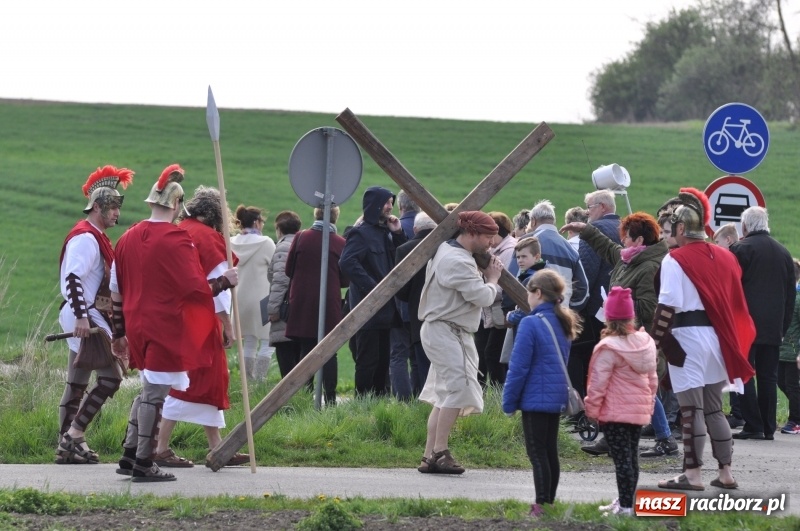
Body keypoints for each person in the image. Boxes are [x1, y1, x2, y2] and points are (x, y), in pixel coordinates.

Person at [110, 164, 238, 482]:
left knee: (147, 390)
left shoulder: (127, 237)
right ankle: (143, 460)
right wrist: (224, 281)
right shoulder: (176, 239)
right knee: (155, 393)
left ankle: (129, 454)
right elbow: (195, 290)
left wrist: (119, 332)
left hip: (137, 325)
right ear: (177, 206)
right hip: (165, 326)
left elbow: (115, 288)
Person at [651, 187, 755, 491]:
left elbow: (666, 308)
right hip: (718, 338)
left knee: (691, 410)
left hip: (687, 338)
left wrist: (651, 344)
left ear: (681, 228)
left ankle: (693, 475)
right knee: (713, 408)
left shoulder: (675, 259)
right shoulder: (725, 255)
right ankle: (725, 473)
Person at [562, 211, 675, 458]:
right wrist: (586, 229)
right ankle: (613, 438)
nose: (622, 241)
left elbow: (649, 308)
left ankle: (664, 439)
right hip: (622, 335)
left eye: (626, 237)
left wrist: (619, 302)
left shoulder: (649, 267)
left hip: (640, 339)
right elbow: (609, 249)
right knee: (628, 388)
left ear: (639, 241)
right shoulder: (631, 258)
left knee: (642, 390)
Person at [153, 186, 250, 469]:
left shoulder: (180, 229)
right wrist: (227, 324)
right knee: (192, 382)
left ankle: (219, 447)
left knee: (203, 382)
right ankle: (159, 446)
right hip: (200, 321)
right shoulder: (209, 239)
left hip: (174, 317)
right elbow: (218, 287)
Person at [55, 165, 133, 464]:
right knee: (111, 377)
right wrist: (82, 318)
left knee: (77, 381)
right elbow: (72, 279)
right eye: (113, 207)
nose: (117, 213)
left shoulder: (95, 236)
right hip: (84, 314)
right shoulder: (86, 238)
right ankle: (74, 436)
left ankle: (66, 447)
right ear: (98, 207)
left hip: (84, 313)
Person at [417, 211, 503, 475]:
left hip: (445, 330)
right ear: (472, 234)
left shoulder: (450, 250)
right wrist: (492, 280)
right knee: (458, 388)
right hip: (446, 331)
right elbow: (482, 297)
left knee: (446, 394)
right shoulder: (457, 260)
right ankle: (440, 452)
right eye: (488, 237)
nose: (492, 242)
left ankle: (428, 456)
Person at [502, 269, 582, 517]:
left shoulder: (530, 323)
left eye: (529, 292)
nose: (527, 297)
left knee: (537, 453)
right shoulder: (562, 321)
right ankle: (549, 503)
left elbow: (518, 367)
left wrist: (509, 401)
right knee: (549, 451)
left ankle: (540, 505)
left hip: (534, 398)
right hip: (556, 396)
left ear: (537, 293)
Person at [585, 287, 657, 517]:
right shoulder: (645, 343)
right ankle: (627, 500)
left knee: (621, 461)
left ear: (608, 317)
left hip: (614, 414)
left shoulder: (608, 348)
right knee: (631, 458)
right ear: (631, 316)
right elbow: (652, 379)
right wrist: (650, 405)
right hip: (637, 412)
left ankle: (626, 508)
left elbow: (597, 384)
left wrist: (592, 410)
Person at [730, 206, 796, 441]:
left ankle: (753, 425)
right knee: (768, 376)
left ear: (745, 226)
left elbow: (730, 289)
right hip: (773, 327)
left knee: (745, 374)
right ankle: (768, 428)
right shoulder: (784, 253)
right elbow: (790, 296)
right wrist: (783, 327)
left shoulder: (740, 249)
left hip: (744, 326)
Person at [339, 186, 407, 397]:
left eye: (391, 203)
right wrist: (373, 288)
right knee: (367, 362)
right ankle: (362, 405)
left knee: (383, 363)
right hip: (367, 311)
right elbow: (347, 262)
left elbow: (401, 259)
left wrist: (397, 234)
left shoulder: (387, 232)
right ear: (375, 205)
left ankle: (379, 406)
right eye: (386, 202)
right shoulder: (360, 233)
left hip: (387, 310)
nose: (390, 207)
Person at [284, 205, 348, 406]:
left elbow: (288, 269)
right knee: (330, 352)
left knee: (306, 349)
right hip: (329, 302)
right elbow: (345, 279)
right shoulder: (340, 243)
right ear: (335, 218)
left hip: (302, 301)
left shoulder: (301, 237)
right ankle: (330, 400)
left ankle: (305, 396)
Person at [230, 205, 276, 381]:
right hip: (262, 299)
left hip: (239, 299)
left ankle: (247, 381)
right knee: (267, 342)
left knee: (249, 341)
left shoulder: (231, 242)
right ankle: (259, 381)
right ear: (256, 223)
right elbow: (275, 268)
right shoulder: (266, 243)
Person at [396, 212, 437, 395]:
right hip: (447, 314)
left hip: (418, 314)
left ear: (414, 229)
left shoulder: (404, 250)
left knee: (421, 362)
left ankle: (424, 401)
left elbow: (401, 290)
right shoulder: (445, 248)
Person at [475, 212, 517, 386]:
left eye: (491, 235)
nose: (489, 241)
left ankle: (498, 391)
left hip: (500, 309)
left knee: (493, 354)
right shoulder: (496, 249)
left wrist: (485, 290)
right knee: (486, 352)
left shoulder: (509, 250)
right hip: (490, 309)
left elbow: (503, 286)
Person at [523, 200, 588, 312]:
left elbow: (513, 277)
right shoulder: (571, 249)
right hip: (561, 315)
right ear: (553, 221)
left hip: (529, 313)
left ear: (533, 221)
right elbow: (583, 289)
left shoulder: (526, 242)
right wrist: (567, 308)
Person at [711, 222, 744, 428]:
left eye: (717, 242)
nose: (715, 246)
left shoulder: (730, 260)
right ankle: (738, 411)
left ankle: (738, 412)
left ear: (729, 240)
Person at [389, 191, 419, 400]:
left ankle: (403, 399)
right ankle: (421, 395)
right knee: (418, 354)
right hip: (422, 302)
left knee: (398, 353)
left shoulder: (392, 229)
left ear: (400, 206)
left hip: (398, 303)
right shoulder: (431, 229)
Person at [267, 211, 303, 378]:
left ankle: (291, 402)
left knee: (288, 368)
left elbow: (281, 280)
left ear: (279, 229)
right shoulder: (302, 242)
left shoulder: (282, 246)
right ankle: (303, 401)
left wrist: (273, 309)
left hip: (285, 314)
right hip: (301, 313)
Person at [777, 259, 800, 434]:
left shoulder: (798, 298)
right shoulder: (783, 295)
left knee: (792, 386)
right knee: (781, 382)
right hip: (781, 350)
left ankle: (795, 421)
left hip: (794, 351)